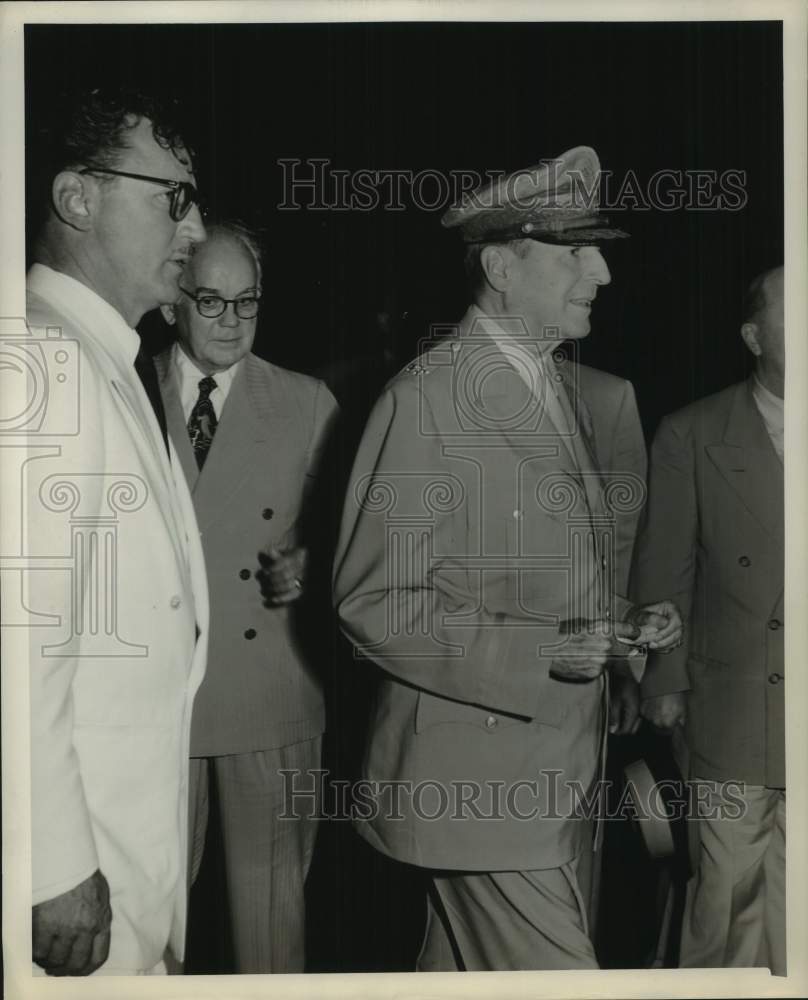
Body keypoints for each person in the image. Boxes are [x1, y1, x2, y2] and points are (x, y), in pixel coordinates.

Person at [332, 146, 682, 971]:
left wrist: (622, 623)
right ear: (499, 267)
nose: (601, 272)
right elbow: (374, 603)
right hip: (480, 786)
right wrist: (545, 651)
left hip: (549, 776)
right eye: (575, 250)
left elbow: (535, 576)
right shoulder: (427, 399)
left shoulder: (552, 387)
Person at [24, 87, 209, 974]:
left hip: (126, 842)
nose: (196, 227)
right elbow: (21, 642)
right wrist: (51, 862)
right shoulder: (44, 358)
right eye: (174, 198)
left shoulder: (98, 351)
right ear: (77, 198)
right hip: (82, 860)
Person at [156, 221, 339, 972]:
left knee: (270, 930)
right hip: (157, 702)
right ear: (171, 301)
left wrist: (313, 560)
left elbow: (357, 537)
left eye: (247, 302)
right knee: (149, 922)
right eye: (211, 301)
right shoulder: (124, 388)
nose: (231, 321)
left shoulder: (307, 401)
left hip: (268, 694)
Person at [631, 265, 785, 974]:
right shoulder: (692, 433)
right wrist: (663, 681)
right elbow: (664, 569)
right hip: (733, 705)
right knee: (726, 898)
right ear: (753, 336)